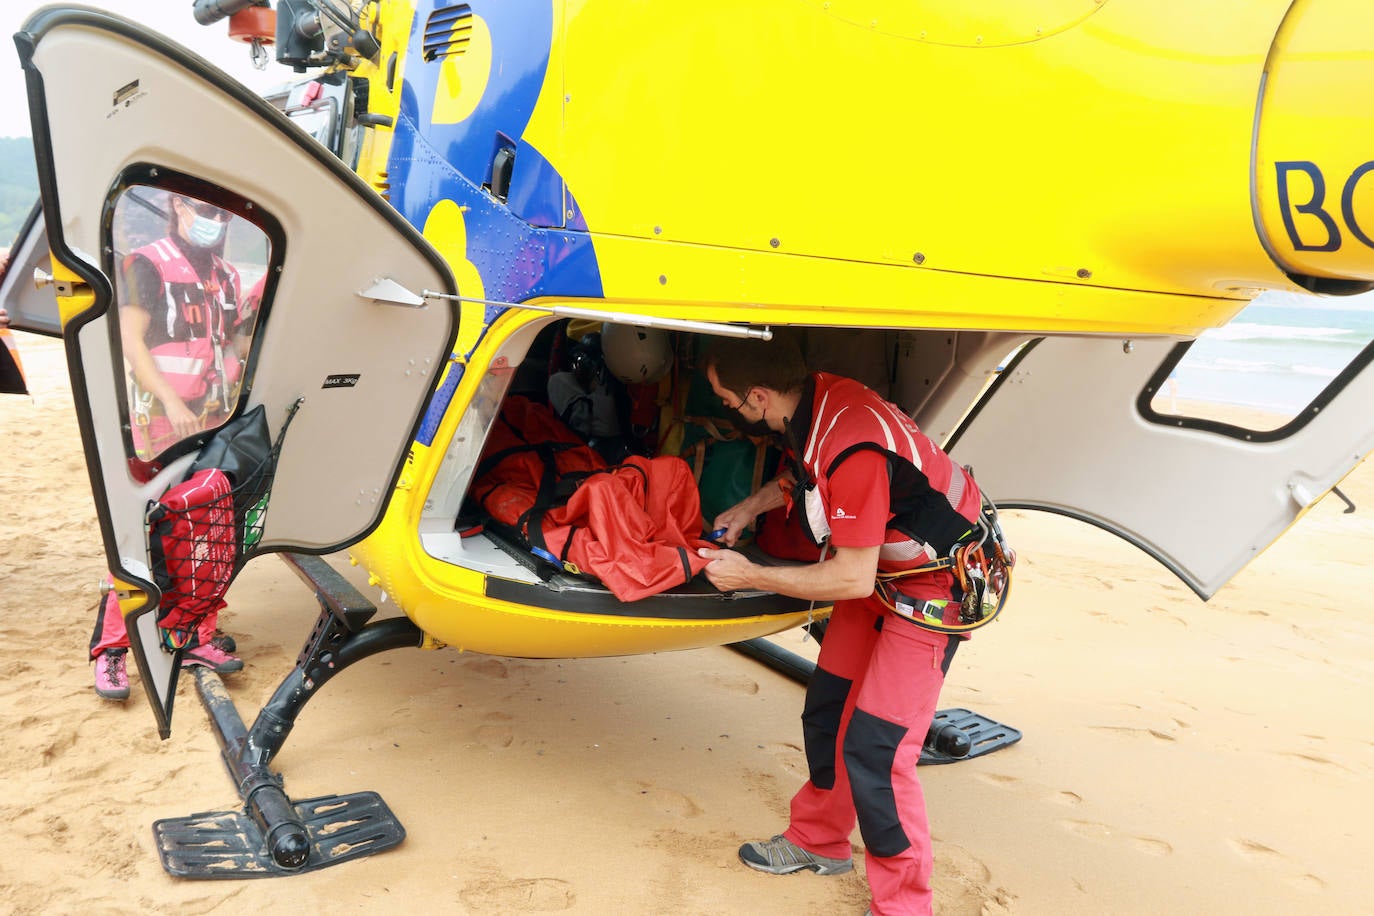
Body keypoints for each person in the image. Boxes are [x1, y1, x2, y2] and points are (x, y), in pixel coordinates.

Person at [697, 334, 1004, 916]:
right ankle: (818, 841)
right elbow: (806, 480)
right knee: (830, 709)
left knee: (879, 751)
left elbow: (850, 580)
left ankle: (905, 907)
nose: (727, 409)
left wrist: (751, 576)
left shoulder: (851, 447)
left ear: (759, 396)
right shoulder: (812, 400)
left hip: (934, 585)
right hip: (883, 567)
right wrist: (748, 509)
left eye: (728, 401)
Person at [92, 194, 247, 700]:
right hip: (156, 424)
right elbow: (131, 343)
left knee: (203, 530)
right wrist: (170, 402)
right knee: (140, 535)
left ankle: (191, 636)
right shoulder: (147, 264)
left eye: (223, 215)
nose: (214, 222)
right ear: (177, 206)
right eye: (206, 211)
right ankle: (113, 651)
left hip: (209, 421)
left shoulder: (226, 276)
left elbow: (228, 346)